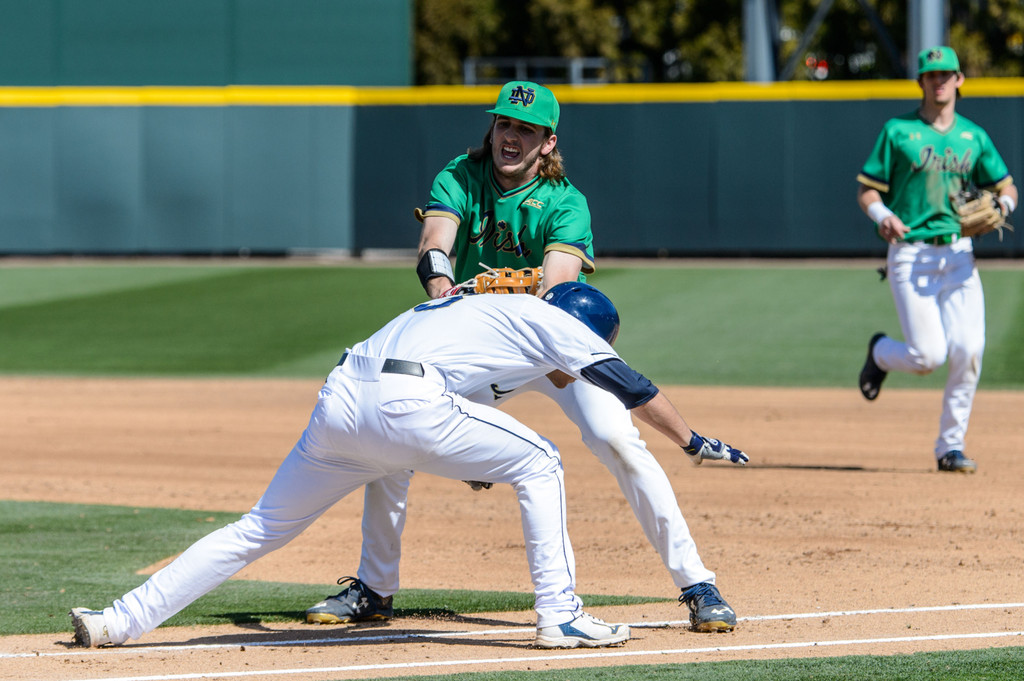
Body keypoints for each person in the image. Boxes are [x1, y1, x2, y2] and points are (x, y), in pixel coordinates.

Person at [69, 284, 747, 650]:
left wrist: (466, 457)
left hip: (341, 396)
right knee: (542, 460)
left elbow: (456, 405)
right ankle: (561, 615)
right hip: (405, 400)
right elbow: (632, 385)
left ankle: (116, 622)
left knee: (258, 527)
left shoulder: (481, 308)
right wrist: (692, 441)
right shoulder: (560, 319)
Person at [305, 81, 744, 634]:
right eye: (503, 124)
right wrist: (442, 286)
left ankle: (697, 584)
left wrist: (524, 331)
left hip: (548, 345)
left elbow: (557, 291)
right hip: (468, 348)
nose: (510, 137)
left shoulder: (566, 203)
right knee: (390, 437)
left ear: (548, 142)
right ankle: (374, 589)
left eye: (525, 130)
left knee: (617, 440)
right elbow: (434, 242)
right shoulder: (461, 175)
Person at [856, 46, 1018, 473]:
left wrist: (1003, 209)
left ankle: (950, 446)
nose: (939, 81)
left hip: (959, 255)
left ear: (959, 80)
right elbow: (867, 190)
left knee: (969, 349)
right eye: (931, 75)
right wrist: (883, 214)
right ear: (921, 82)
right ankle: (881, 353)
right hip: (911, 255)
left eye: (946, 74)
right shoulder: (898, 131)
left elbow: (1007, 187)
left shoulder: (974, 136)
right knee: (928, 357)